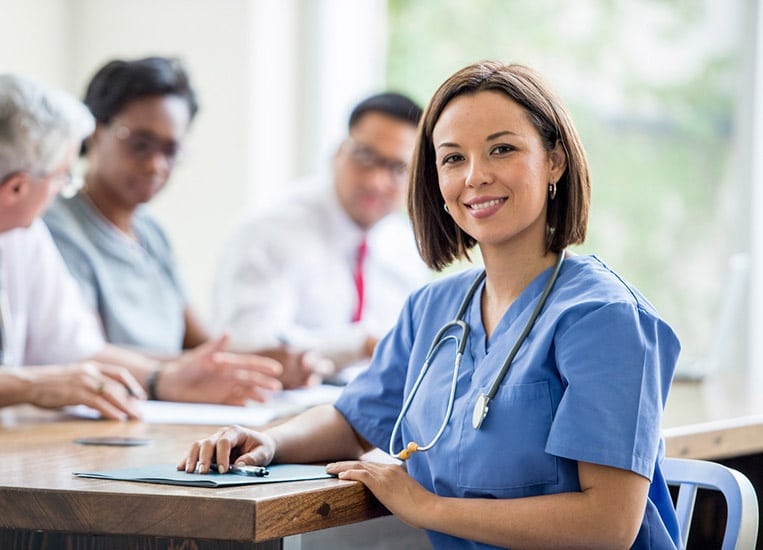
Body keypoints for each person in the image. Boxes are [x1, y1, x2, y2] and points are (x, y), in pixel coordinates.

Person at [179, 60, 682, 549]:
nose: (475, 176)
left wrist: (426, 507)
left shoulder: (605, 318)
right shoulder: (435, 307)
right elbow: (354, 419)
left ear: (554, 160)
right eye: (453, 158)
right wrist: (269, 440)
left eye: (502, 150)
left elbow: (608, 525)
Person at [0, 73, 282, 419]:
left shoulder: (24, 233)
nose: (63, 188)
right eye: (62, 176)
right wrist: (30, 385)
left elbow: (75, 349)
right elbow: (46, 375)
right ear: (16, 188)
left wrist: (162, 379)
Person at [209, 92, 430, 388]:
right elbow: (248, 342)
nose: (375, 181)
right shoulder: (271, 230)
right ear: (338, 151)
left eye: (397, 168)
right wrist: (359, 344)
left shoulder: (406, 247)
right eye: (365, 157)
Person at [43, 56, 207, 356]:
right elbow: (87, 352)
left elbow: (202, 345)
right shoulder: (55, 227)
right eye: (140, 144)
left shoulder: (152, 233)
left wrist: (271, 361)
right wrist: (183, 373)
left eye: (170, 150)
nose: (156, 165)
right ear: (93, 133)